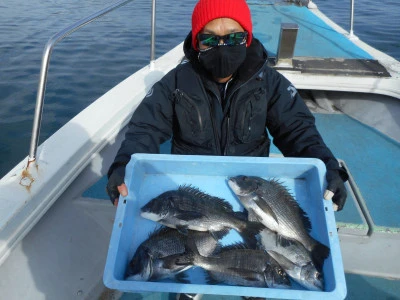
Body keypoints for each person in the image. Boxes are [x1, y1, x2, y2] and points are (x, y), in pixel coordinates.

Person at [106, 0, 348, 211]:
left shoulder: (269, 82)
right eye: (209, 39)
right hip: (191, 187)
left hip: (252, 187)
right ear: (196, 42)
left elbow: (297, 130)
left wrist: (327, 166)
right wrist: (123, 165)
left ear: (247, 38)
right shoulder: (176, 82)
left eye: (233, 37)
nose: (222, 48)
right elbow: (145, 128)